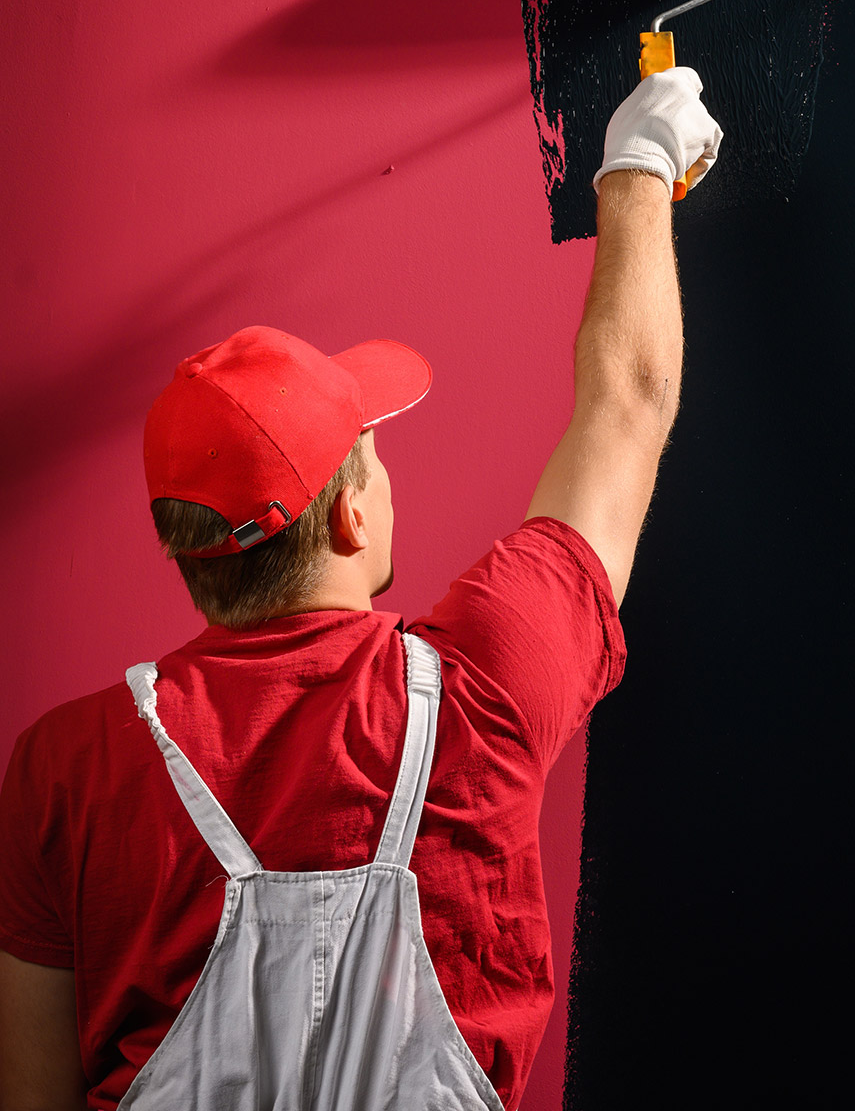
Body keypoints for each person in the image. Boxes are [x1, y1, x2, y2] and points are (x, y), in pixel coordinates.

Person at [0, 69, 722, 1111]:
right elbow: (630, 407)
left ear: (191, 548)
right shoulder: (487, 676)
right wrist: (637, 168)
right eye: (374, 456)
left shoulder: (63, 767)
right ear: (350, 516)